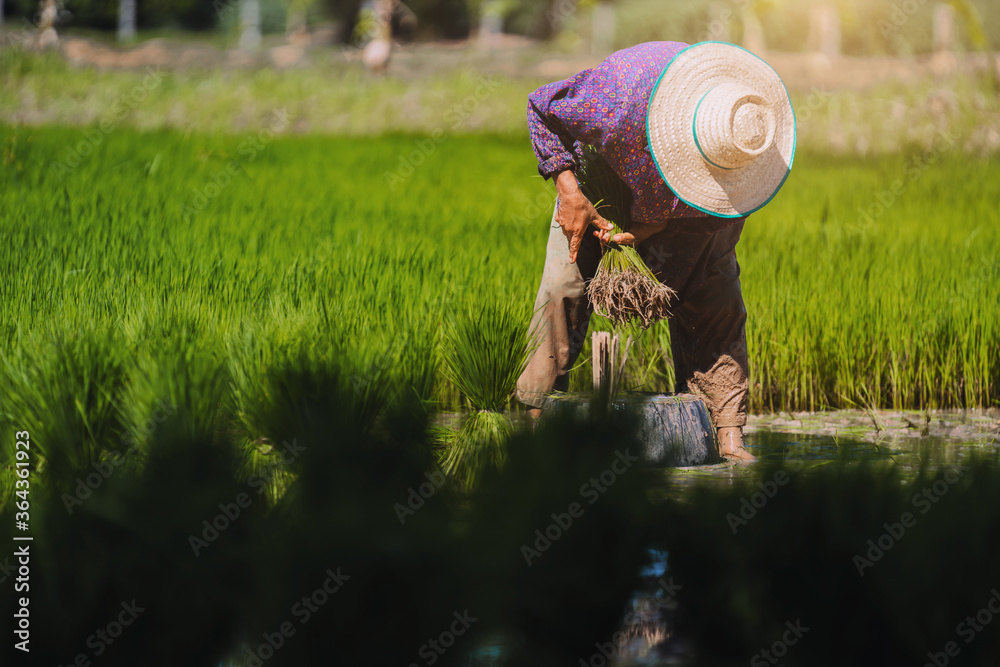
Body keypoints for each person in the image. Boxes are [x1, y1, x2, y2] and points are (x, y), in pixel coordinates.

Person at [516, 41, 796, 464]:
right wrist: (569, 190)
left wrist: (653, 225)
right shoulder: (618, 96)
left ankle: (727, 433)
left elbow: (712, 226)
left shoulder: (745, 140)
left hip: (696, 216)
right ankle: (533, 418)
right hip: (598, 195)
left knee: (717, 299)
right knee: (563, 288)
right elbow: (541, 109)